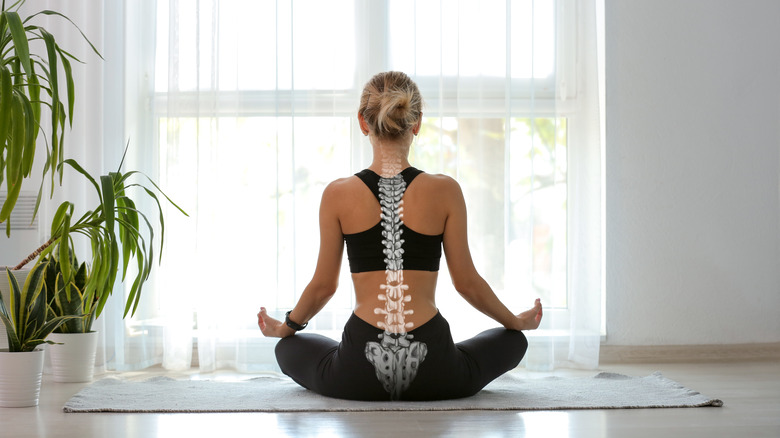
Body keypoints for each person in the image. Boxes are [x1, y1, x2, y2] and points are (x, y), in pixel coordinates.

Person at [257, 71, 542, 401]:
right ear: (417, 122)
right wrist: (514, 321)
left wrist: (286, 327)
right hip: (436, 369)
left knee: (288, 348)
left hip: (356, 371)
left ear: (363, 123)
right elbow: (466, 282)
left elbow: (324, 286)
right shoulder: (445, 190)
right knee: (512, 341)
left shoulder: (338, 194)